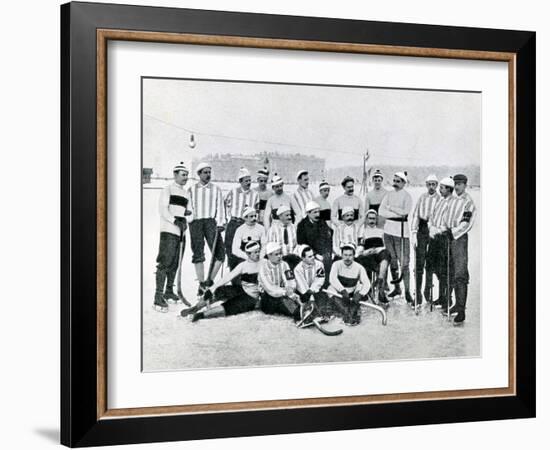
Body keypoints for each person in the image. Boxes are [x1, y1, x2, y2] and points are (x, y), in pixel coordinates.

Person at [181, 241, 262, 322]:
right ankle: (195, 308)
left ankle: (201, 315)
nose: (258, 254)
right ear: (248, 254)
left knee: (229, 306)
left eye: (259, 251)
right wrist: (212, 288)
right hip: (242, 290)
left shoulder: (263, 263)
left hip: (251, 297)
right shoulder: (243, 265)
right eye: (255, 252)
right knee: (219, 290)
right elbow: (228, 277)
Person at [153, 162, 194, 312]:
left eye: (187, 175)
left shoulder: (186, 193)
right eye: (183, 175)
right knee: (165, 262)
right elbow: (163, 210)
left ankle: (169, 291)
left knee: (176, 263)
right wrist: (175, 220)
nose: (186, 178)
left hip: (181, 233)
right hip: (168, 231)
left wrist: (186, 219)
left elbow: (190, 212)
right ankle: (158, 296)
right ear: (175, 175)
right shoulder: (167, 189)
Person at [188, 162, 226, 294]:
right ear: (199, 174)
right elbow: (188, 208)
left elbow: (220, 207)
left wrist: (221, 222)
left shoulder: (216, 189)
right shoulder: (192, 190)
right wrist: (191, 218)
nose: (208, 175)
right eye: (205, 172)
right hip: (196, 223)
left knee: (220, 254)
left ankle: (208, 281)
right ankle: (201, 283)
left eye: (209, 172)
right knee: (198, 254)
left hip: (211, 222)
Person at [378, 171, 413, 303]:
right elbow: (381, 212)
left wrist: (391, 209)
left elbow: (405, 213)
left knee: (404, 263)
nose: (395, 183)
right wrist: (395, 214)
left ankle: (408, 291)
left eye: (398, 181)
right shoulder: (388, 195)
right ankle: (397, 288)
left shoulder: (407, 196)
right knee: (392, 261)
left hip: (402, 233)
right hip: (388, 232)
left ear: (404, 183)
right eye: (394, 180)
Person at [446, 174, 476, 324]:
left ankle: (462, 310)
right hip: (447, 238)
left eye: (460, 184)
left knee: (460, 273)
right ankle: (456, 304)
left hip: (459, 239)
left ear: (465, 185)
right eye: (455, 184)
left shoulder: (468, 202)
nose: (457, 187)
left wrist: (452, 233)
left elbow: (466, 223)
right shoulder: (451, 199)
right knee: (450, 271)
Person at [410, 174, 441, 304]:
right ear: (426, 185)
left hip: (434, 229)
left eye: (434, 184)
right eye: (429, 184)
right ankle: (417, 293)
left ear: (437, 185)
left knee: (431, 262)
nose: (431, 187)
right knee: (419, 262)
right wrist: (413, 231)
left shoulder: (440, 199)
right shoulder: (422, 197)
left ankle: (427, 290)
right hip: (422, 229)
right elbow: (416, 214)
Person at [427, 177, 455, 312]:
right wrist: (431, 228)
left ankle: (447, 298)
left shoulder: (453, 202)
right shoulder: (440, 201)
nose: (439, 189)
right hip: (434, 238)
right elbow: (432, 217)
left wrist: (441, 230)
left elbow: (450, 221)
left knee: (445, 270)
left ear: (449, 189)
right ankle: (441, 296)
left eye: (442, 188)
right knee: (436, 268)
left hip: (444, 238)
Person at [326, 242, 370, 325]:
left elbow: (367, 283)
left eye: (350, 255)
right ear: (342, 255)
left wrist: (360, 294)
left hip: (352, 291)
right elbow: (332, 279)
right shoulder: (336, 264)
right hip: (339, 292)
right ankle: (346, 313)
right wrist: (342, 290)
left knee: (360, 286)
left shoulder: (359, 267)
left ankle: (352, 312)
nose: (347, 258)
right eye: (345, 255)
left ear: (354, 256)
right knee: (330, 290)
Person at [224, 167, 259, 270]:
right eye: (246, 181)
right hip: (234, 222)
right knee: (230, 248)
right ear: (240, 181)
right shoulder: (232, 192)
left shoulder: (255, 195)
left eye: (250, 180)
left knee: (244, 249)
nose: (249, 183)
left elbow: (256, 210)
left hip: (246, 225)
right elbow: (224, 204)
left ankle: (243, 274)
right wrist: (225, 219)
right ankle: (232, 273)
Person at [258, 242, 301, 320]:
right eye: (276, 254)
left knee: (295, 297)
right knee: (284, 302)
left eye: (280, 253)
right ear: (269, 256)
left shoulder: (284, 264)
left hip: (282, 292)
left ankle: (301, 310)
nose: (280, 256)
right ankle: (298, 313)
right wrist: (286, 292)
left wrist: (290, 289)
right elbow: (270, 288)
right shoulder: (263, 268)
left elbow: (290, 279)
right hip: (268, 297)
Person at [356, 209, 390, 304]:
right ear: (366, 219)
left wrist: (377, 250)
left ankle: (380, 287)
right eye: (370, 218)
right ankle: (367, 290)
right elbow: (360, 247)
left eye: (374, 219)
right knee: (362, 259)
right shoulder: (362, 231)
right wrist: (365, 252)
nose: (371, 221)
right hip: (367, 255)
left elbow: (384, 246)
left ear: (376, 220)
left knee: (385, 255)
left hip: (379, 255)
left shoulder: (380, 231)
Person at [296, 201, 333, 285]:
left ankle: (327, 286)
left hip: (324, 253)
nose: (318, 214)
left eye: (318, 211)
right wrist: (315, 254)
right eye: (315, 212)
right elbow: (302, 243)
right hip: (310, 254)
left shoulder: (322, 222)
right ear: (308, 213)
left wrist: (328, 252)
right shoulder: (302, 225)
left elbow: (328, 238)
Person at [293, 245, 331, 316]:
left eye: (313, 255)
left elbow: (319, 279)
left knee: (323, 303)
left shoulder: (319, 264)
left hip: (315, 290)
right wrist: (310, 296)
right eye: (310, 257)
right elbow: (301, 285)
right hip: (304, 293)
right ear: (303, 258)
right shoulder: (298, 269)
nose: (313, 258)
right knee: (299, 307)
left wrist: (312, 290)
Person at [266, 205, 301, 270]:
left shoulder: (295, 228)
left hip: (293, 259)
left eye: (290, 215)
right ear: (280, 216)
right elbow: (270, 247)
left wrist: (293, 255)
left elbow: (298, 244)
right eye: (287, 215)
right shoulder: (273, 230)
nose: (290, 217)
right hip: (279, 259)